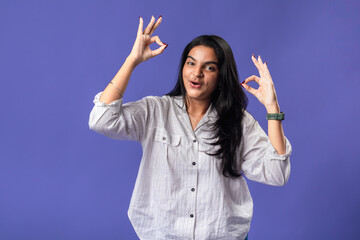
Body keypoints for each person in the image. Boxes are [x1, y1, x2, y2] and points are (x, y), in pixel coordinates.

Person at [89, 16, 292, 240]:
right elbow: (101, 119)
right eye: (191, 63)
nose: (197, 73)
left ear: (221, 77)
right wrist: (132, 60)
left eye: (209, 67)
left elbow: (277, 173)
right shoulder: (156, 111)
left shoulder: (238, 121)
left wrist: (272, 108)